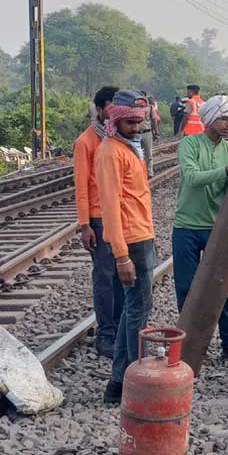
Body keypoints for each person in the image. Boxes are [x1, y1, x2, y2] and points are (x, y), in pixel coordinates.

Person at [173, 95, 228, 364]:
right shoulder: (190, 144)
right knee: (186, 288)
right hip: (187, 226)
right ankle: (186, 346)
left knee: (222, 288)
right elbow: (191, 178)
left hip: (217, 228)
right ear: (210, 118)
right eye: (225, 119)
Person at [96, 90, 155, 405]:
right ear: (116, 119)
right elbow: (109, 207)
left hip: (141, 235)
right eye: (130, 122)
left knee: (134, 309)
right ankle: (138, 383)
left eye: (139, 122)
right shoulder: (110, 153)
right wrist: (121, 256)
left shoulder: (129, 147)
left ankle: (118, 384)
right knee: (138, 311)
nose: (136, 127)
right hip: (130, 242)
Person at [75, 86, 123, 359]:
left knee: (120, 275)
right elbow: (81, 187)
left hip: (117, 216)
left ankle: (118, 329)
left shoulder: (117, 138)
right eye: (115, 107)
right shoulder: (86, 142)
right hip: (98, 218)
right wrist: (85, 225)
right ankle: (106, 334)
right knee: (105, 277)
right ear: (103, 108)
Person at [138, 92, 160, 177]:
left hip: (147, 132)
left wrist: (156, 132)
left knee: (148, 154)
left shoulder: (150, 108)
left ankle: (149, 173)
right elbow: (154, 121)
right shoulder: (134, 108)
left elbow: (154, 121)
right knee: (139, 154)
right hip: (138, 133)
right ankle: (141, 172)